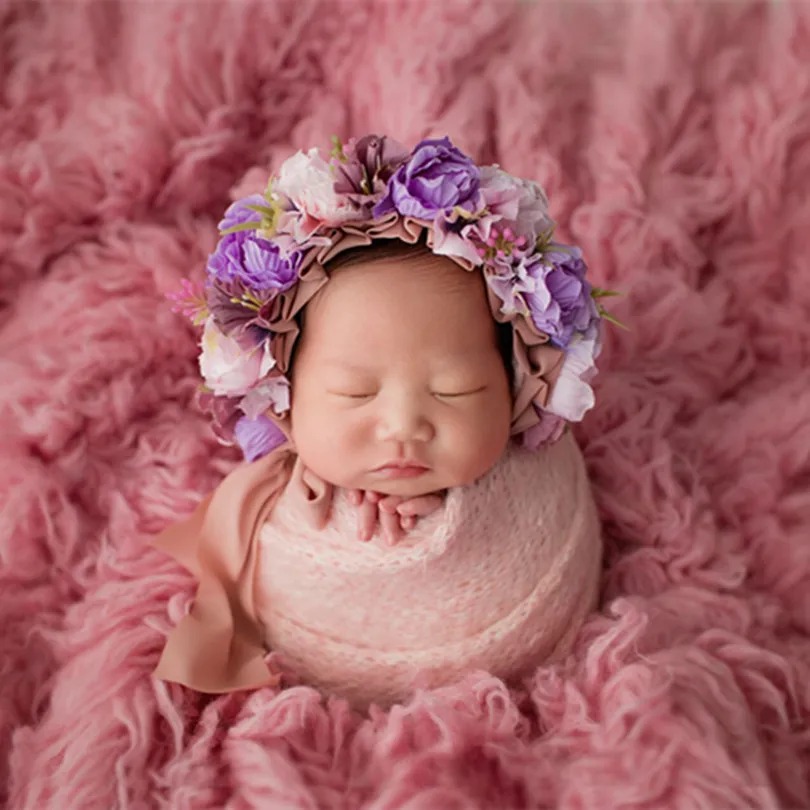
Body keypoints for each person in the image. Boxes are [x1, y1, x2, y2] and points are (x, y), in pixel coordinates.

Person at [154, 134, 611, 708]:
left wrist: (457, 513)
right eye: (353, 391)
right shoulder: (276, 529)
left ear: (518, 388)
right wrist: (333, 502)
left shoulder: (543, 477)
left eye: (455, 389)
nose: (402, 424)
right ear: (283, 400)